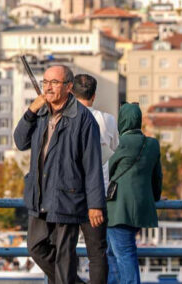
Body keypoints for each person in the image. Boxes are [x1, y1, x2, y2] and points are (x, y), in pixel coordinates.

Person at [13, 65, 106, 284]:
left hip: (68, 196)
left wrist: (95, 204)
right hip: (40, 195)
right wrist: (30, 111)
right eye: (45, 82)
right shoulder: (41, 112)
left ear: (69, 87)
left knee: (65, 257)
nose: (48, 87)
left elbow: (92, 164)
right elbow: (20, 141)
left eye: (54, 83)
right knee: (35, 247)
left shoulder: (83, 119)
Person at [69, 74, 119, 284]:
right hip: (99, 195)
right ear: (94, 95)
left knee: (65, 250)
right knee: (97, 253)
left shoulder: (65, 118)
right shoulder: (106, 120)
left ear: (71, 93)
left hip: (69, 194)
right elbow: (116, 150)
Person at [106, 103, 163, 284]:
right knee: (112, 252)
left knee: (124, 253)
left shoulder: (118, 143)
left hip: (117, 208)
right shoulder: (152, 144)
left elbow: (106, 171)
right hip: (141, 208)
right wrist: (155, 197)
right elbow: (157, 177)